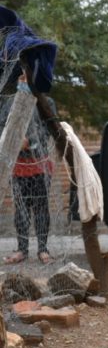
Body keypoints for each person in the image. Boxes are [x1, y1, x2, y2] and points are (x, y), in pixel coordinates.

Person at [2, 70, 55, 265]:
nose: (23, 81)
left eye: (27, 77)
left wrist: (30, 141)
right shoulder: (9, 104)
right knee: (21, 208)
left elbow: (49, 130)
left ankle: (43, 249)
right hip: (18, 165)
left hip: (40, 164)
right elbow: (2, 127)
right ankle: (21, 250)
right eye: (21, 77)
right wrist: (15, 140)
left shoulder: (46, 103)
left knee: (41, 207)